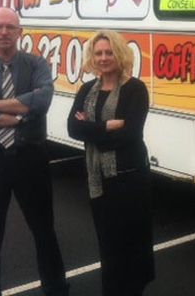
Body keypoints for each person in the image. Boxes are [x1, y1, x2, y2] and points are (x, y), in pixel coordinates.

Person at [0, 7, 69, 296]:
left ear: (20, 32)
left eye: (10, 27)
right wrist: (18, 115)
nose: (3, 33)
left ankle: (57, 290)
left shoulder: (36, 64)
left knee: (44, 231)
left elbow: (42, 101)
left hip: (30, 158)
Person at [67, 31, 154, 296]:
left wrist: (91, 129)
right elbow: (72, 128)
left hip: (129, 179)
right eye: (98, 53)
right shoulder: (87, 89)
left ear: (119, 54)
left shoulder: (134, 89)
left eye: (109, 52)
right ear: (92, 58)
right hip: (99, 182)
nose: (104, 58)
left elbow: (130, 135)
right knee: (108, 246)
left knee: (133, 245)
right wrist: (107, 126)